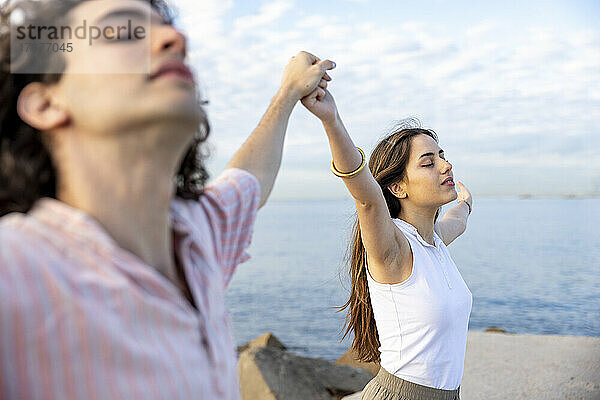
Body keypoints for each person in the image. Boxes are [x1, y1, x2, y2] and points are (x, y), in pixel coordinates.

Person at [0, 0, 334, 398]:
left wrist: (288, 92)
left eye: (167, 29)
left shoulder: (198, 240)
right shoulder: (17, 271)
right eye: (122, 31)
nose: (176, 39)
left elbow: (250, 180)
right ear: (46, 103)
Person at [302, 79, 473, 399]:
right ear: (398, 188)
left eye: (442, 155)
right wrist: (331, 119)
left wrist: (465, 203)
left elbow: (458, 222)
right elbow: (366, 197)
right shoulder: (393, 251)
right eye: (428, 162)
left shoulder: (433, 242)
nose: (445, 165)